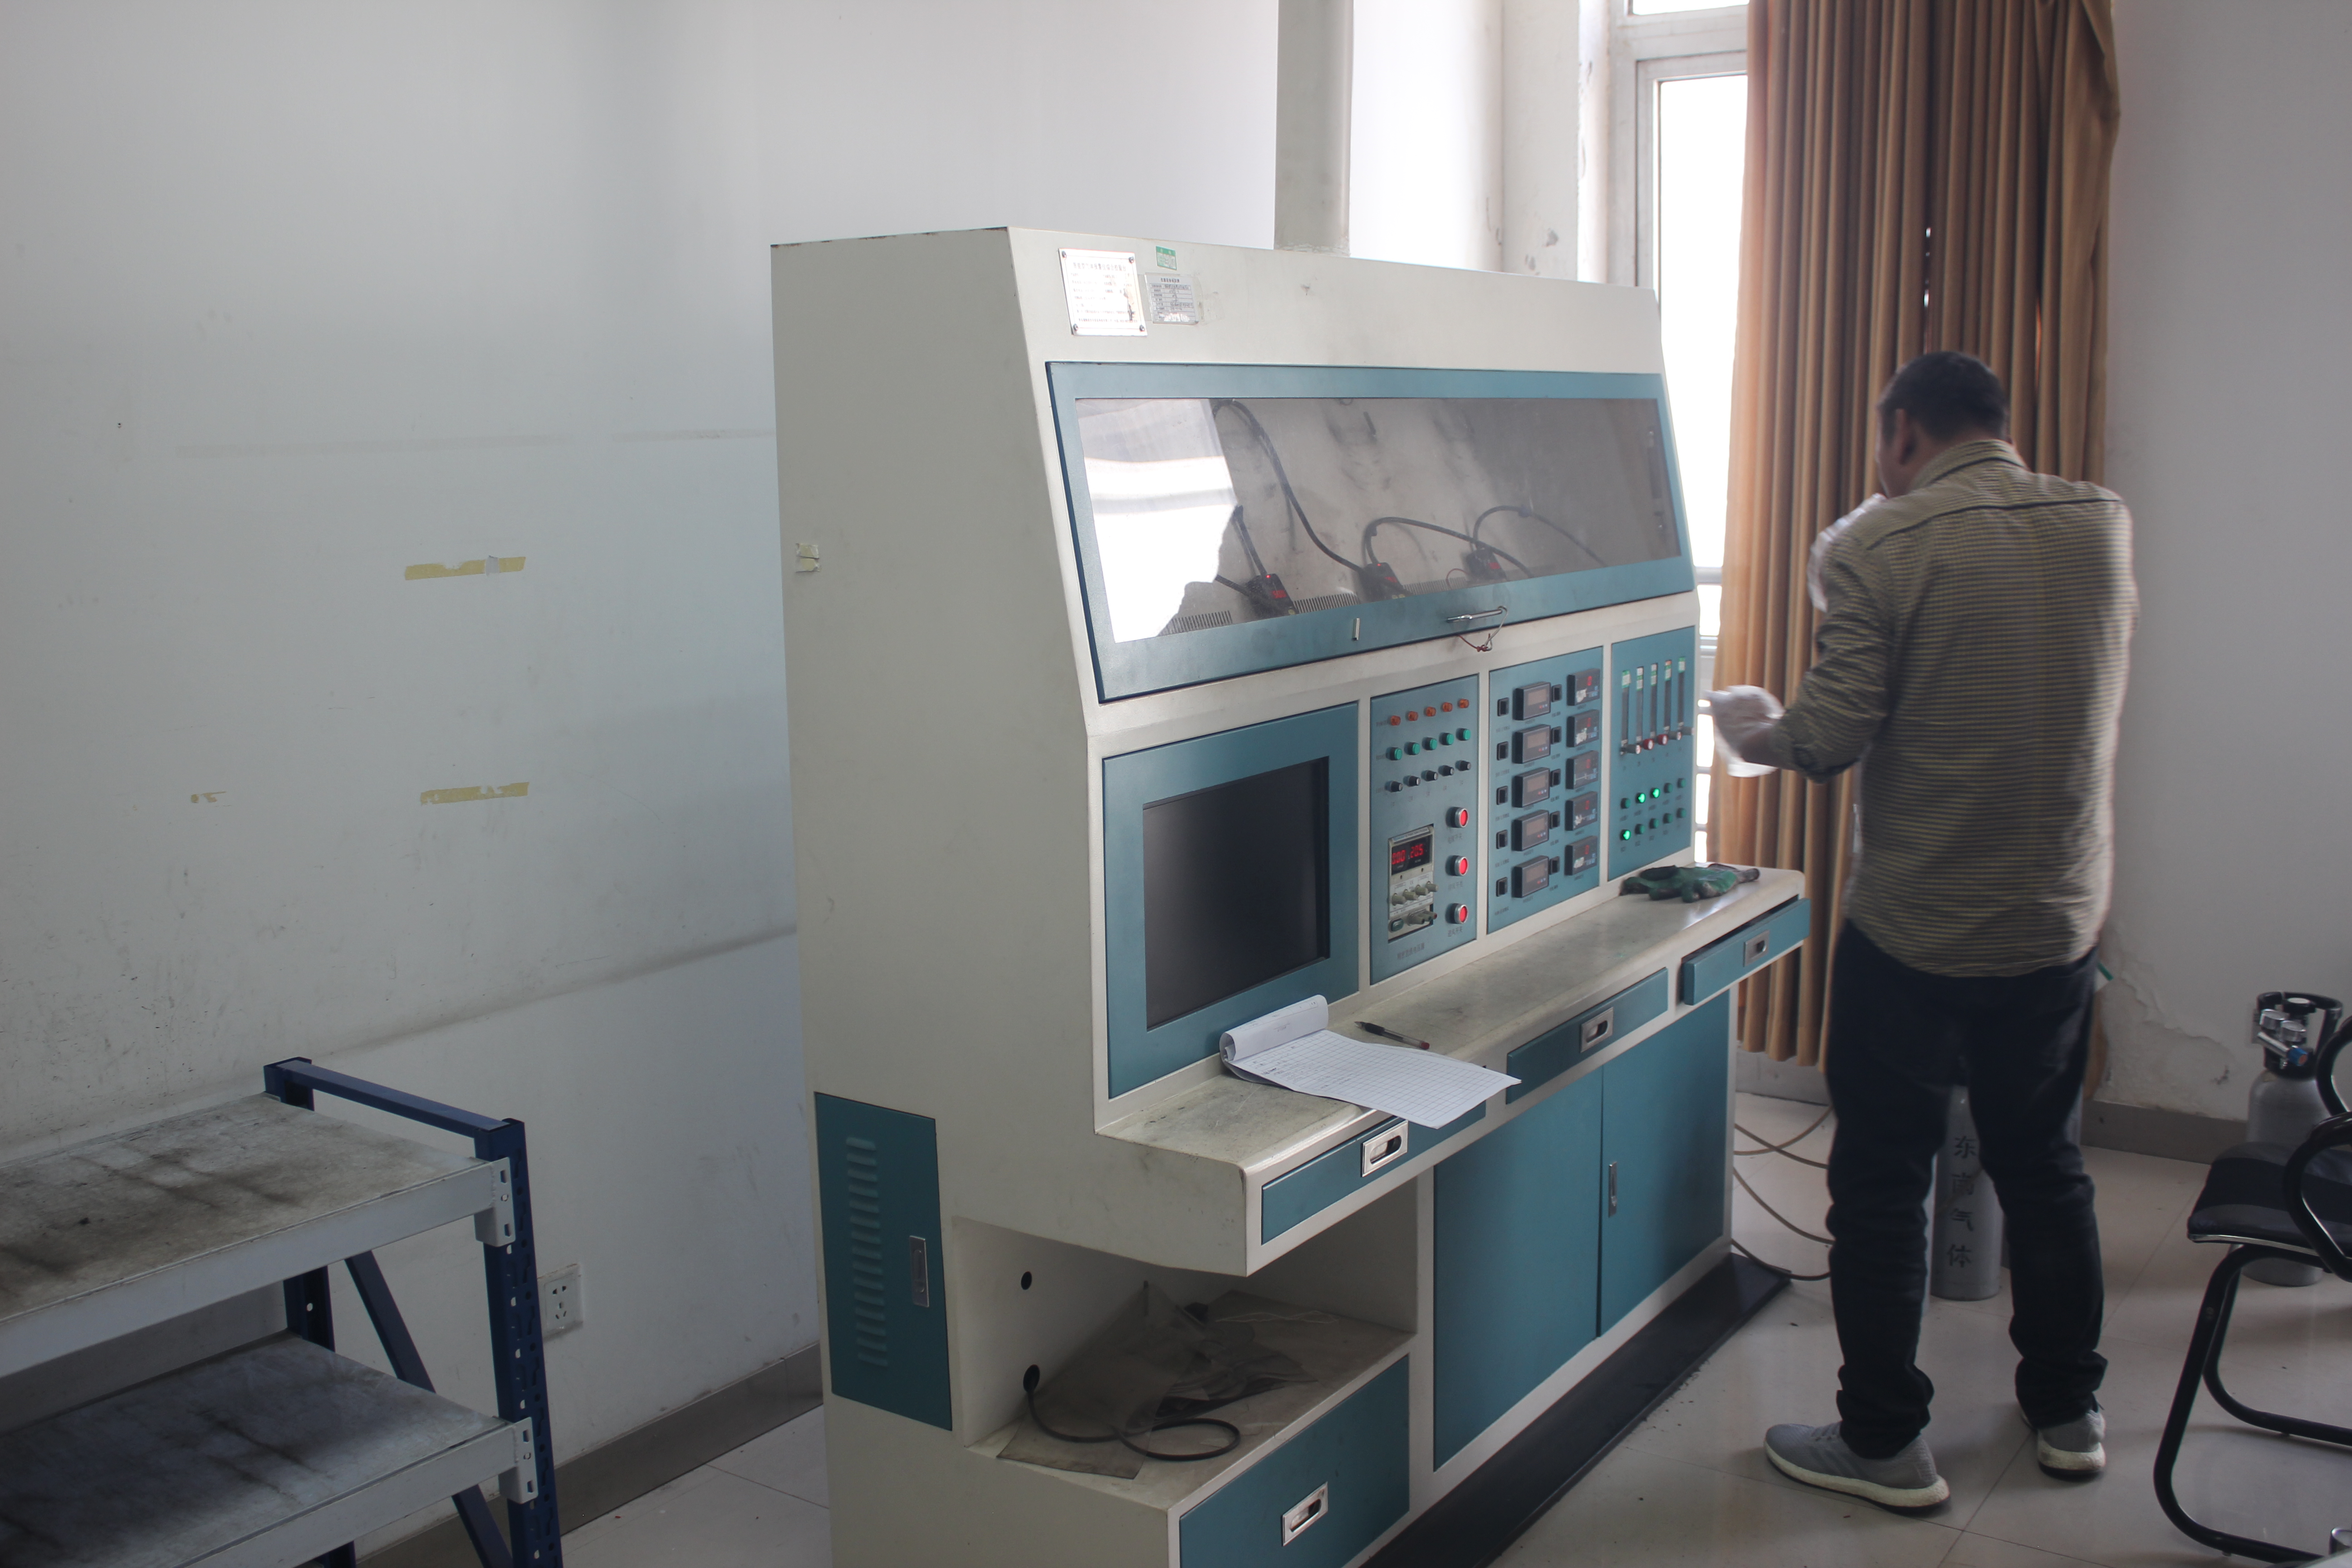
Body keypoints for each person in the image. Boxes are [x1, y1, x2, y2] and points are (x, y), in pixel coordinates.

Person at [1709, 350, 2136, 1511]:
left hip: (1919, 934)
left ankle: (1885, 1442)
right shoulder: (2099, 523)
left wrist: (1754, 729)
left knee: (1883, 1184)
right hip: (2057, 923)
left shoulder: (1881, 546)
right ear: (1996, 424)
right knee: (2046, 1170)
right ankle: (2069, 1413)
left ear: (1901, 432)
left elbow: (1828, 737)